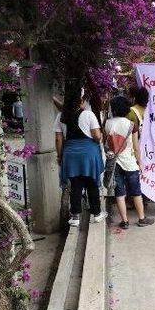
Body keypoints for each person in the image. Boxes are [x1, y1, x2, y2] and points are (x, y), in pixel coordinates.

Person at [55, 91, 105, 227]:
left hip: (70, 154)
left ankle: (75, 217)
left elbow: (59, 139)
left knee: (75, 184)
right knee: (92, 183)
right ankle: (97, 214)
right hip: (89, 153)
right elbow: (96, 136)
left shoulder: (61, 116)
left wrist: (60, 156)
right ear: (81, 101)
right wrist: (100, 133)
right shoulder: (89, 114)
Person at [104, 96, 155, 229]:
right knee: (136, 191)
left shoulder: (107, 123)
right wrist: (140, 162)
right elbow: (136, 147)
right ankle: (141, 218)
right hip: (130, 163)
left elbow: (108, 144)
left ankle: (125, 221)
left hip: (115, 163)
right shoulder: (131, 124)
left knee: (119, 192)